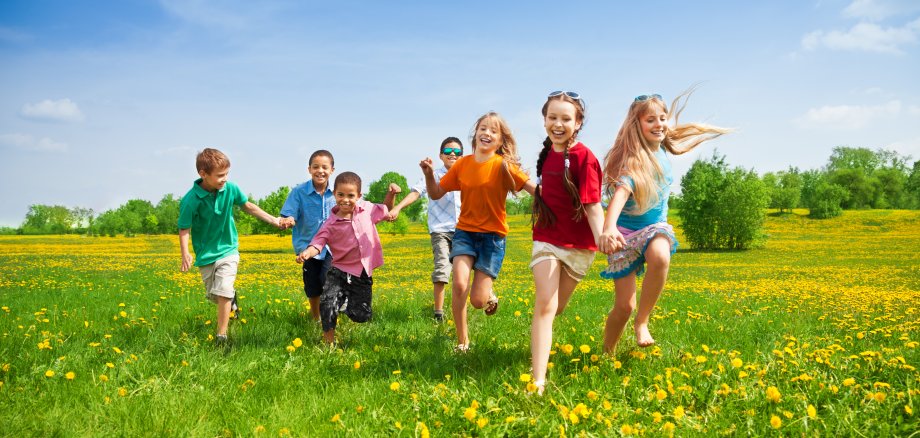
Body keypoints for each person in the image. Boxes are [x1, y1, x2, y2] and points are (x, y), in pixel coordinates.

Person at [598, 89, 730, 353]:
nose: (659, 124)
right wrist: (609, 227)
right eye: (650, 120)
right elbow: (621, 192)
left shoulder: (662, 149)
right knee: (624, 306)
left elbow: (672, 137)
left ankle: (642, 322)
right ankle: (606, 354)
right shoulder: (632, 160)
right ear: (637, 125)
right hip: (623, 234)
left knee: (660, 255)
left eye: (662, 118)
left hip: (653, 228)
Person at [421, 112, 535, 352]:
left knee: (477, 301)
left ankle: (489, 294)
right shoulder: (463, 164)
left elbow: (533, 189)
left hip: (493, 239)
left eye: (493, 131)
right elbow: (435, 193)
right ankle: (462, 342)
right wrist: (429, 174)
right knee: (460, 284)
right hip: (465, 232)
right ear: (476, 134)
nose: (487, 133)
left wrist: (565, 202)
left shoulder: (504, 166)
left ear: (501, 140)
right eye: (483, 128)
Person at [528, 91, 606, 395]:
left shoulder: (585, 158)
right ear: (545, 119)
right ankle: (538, 381)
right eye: (552, 117)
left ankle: (540, 345)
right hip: (547, 239)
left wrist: (603, 241)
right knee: (545, 304)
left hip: (580, 246)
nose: (558, 124)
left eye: (565, 118)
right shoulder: (547, 154)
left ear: (578, 122)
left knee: (556, 308)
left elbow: (592, 206)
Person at [179, 148, 286, 346]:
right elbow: (184, 227)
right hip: (206, 254)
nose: (225, 179)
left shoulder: (230, 189)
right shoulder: (190, 200)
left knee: (223, 290)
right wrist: (185, 253)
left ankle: (221, 337)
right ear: (203, 174)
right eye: (220, 176)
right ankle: (232, 302)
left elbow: (248, 206)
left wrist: (274, 221)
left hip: (228, 249)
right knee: (215, 294)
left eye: (227, 174)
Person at [295, 172, 400, 345]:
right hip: (338, 270)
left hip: (362, 272)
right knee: (327, 303)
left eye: (351, 195)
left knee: (361, 315)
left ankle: (346, 304)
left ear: (359, 196)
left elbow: (385, 210)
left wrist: (391, 195)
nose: (345, 199)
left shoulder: (367, 210)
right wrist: (307, 253)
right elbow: (318, 243)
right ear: (334, 194)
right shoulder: (330, 223)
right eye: (340, 195)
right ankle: (329, 342)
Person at [386, 137, 463, 322]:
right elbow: (416, 192)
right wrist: (397, 208)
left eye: (457, 152)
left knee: (465, 269)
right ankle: (438, 314)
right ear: (440, 155)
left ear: (462, 156)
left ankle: (462, 310)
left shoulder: (467, 174)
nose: (452, 154)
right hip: (440, 230)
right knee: (442, 267)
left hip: (464, 229)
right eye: (448, 151)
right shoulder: (433, 175)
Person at [279, 150, 335, 322]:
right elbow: (289, 214)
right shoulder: (298, 192)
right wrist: (288, 219)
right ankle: (315, 316)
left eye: (325, 167)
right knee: (312, 284)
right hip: (307, 247)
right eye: (316, 167)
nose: (320, 171)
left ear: (332, 170)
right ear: (309, 169)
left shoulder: (337, 192)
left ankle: (329, 316)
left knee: (328, 280)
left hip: (332, 248)